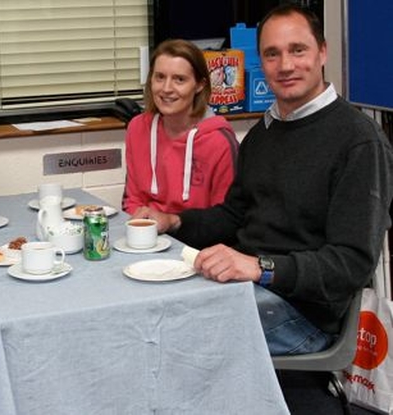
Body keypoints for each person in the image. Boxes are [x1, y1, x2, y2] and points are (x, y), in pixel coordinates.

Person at [149, 4, 393, 355]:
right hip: (251, 287)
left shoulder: (360, 142)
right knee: (153, 310)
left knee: (172, 338)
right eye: (272, 54)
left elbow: (350, 265)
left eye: (298, 50)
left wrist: (260, 267)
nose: (286, 65)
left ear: (323, 52)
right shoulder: (266, 132)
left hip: (307, 313)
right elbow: (233, 216)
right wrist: (173, 221)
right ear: (261, 62)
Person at [122, 39, 238, 224]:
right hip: (147, 237)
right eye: (160, 77)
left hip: (198, 244)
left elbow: (225, 220)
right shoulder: (137, 128)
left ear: (199, 85)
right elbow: (132, 200)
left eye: (180, 79)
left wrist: (173, 226)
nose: (167, 89)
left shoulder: (219, 141)